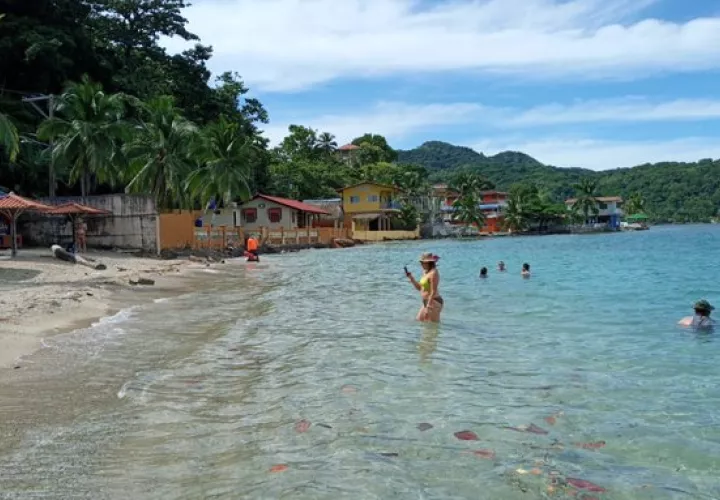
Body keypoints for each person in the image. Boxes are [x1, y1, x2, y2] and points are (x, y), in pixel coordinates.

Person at [406, 252, 443, 322]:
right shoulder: (425, 272)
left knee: (433, 326)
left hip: (433, 302)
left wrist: (428, 306)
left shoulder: (434, 273)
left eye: (422, 262)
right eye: (421, 262)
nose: (421, 264)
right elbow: (420, 288)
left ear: (428, 262)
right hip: (427, 302)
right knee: (419, 321)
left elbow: (433, 291)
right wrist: (411, 278)